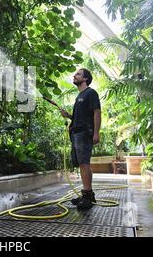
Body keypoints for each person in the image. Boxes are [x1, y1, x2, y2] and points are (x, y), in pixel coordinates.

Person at [59, 68, 101, 210]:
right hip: (76, 134)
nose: (74, 75)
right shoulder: (79, 96)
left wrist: (96, 133)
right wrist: (68, 116)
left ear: (85, 79)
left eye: (78, 74)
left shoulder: (91, 93)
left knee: (84, 164)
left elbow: (97, 113)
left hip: (84, 134)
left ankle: (87, 196)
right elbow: (79, 117)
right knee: (81, 164)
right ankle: (87, 194)